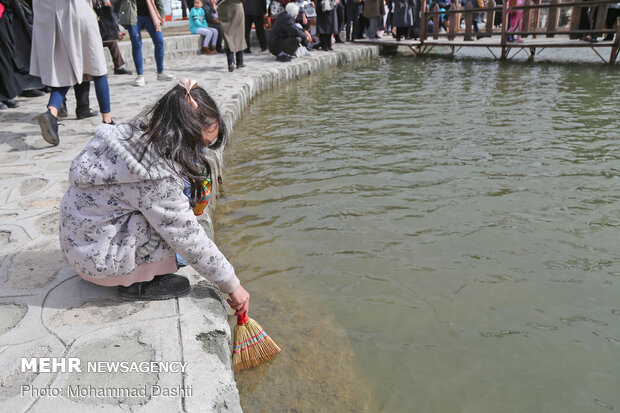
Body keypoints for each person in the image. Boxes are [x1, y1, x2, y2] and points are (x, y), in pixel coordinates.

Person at [59, 79, 251, 317]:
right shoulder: (154, 174)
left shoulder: (134, 134)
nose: (202, 151)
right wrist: (232, 285)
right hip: (99, 264)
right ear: (180, 136)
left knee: (175, 211)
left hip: (81, 247)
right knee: (176, 232)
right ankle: (138, 284)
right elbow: (186, 234)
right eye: (200, 144)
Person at [30, 0, 113, 146]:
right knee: (98, 68)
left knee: (65, 71)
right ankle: (107, 121)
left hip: (52, 19)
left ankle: (52, 112)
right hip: (78, 12)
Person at [118, 0, 174, 86]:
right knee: (136, 43)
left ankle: (161, 71)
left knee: (159, 41)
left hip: (150, 14)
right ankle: (140, 75)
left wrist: (161, 14)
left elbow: (158, 1)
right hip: (132, 15)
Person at [217, 0, 247, 71]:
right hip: (237, 6)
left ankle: (231, 62)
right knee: (238, 35)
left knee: (228, 35)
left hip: (224, 7)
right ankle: (239, 62)